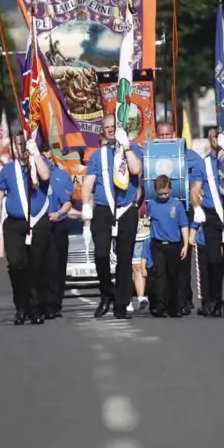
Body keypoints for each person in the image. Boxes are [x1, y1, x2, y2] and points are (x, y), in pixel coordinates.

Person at [81, 114, 143, 319]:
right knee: (101, 254)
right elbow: (88, 183)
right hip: (103, 209)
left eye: (113, 126)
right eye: (106, 127)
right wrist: (85, 206)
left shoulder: (132, 150)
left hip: (126, 209)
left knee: (124, 260)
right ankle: (106, 293)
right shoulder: (97, 156)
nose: (109, 129)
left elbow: (136, 170)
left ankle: (121, 305)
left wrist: (125, 146)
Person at [0, 130, 52, 325]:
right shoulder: (8, 169)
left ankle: (36, 306)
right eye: (17, 145)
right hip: (15, 224)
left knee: (36, 266)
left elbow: (45, 174)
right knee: (16, 265)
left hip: (37, 222)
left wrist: (35, 154)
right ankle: (21, 306)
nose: (20, 148)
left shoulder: (38, 163)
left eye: (23, 144)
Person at [189, 127, 224, 318]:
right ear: (209, 139)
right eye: (214, 137)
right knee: (213, 260)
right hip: (212, 215)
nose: (217, 140)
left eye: (220, 137)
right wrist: (196, 208)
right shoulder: (203, 163)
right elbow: (195, 189)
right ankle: (213, 301)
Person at [155, 120, 204, 315]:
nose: (165, 138)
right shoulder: (152, 154)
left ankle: (184, 300)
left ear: (174, 134)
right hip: (159, 210)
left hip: (183, 210)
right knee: (159, 263)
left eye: (168, 135)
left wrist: (196, 205)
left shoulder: (191, 157)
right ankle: (162, 301)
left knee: (183, 258)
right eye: (162, 135)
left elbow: (197, 184)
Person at [146, 174, 189, 318]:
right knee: (160, 275)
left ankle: (174, 306)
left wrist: (185, 244)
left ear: (170, 190)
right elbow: (147, 221)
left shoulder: (177, 205)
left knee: (173, 276)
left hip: (174, 245)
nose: (163, 196)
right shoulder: (151, 204)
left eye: (165, 193)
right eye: (160, 194)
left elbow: (183, 225)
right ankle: (160, 305)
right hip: (158, 245)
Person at [45, 157, 73, 319]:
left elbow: (67, 201)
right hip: (39, 225)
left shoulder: (60, 176)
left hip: (57, 224)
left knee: (57, 266)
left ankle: (54, 303)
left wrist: (59, 213)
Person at [130, 217, 152, 313]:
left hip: (140, 232)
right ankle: (127, 300)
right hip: (122, 230)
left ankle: (141, 298)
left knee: (138, 266)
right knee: (124, 267)